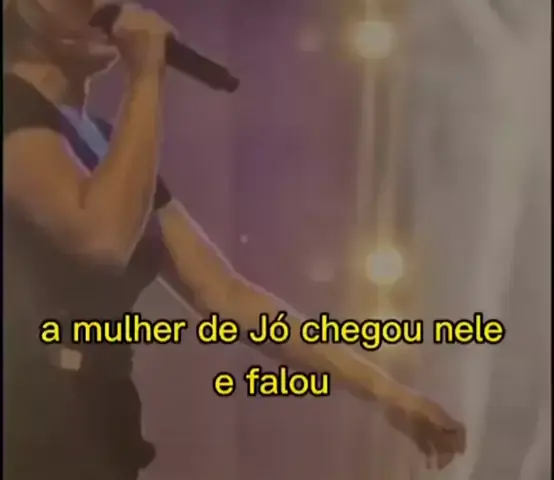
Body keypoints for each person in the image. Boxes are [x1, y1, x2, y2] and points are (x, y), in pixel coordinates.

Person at [3, 1, 466, 479]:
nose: (110, 7)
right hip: (32, 422)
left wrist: (389, 394)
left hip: (97, 420)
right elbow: (101, 240)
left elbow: (225, 294)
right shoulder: (10, 108)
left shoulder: (104, 142)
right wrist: (146, 77)